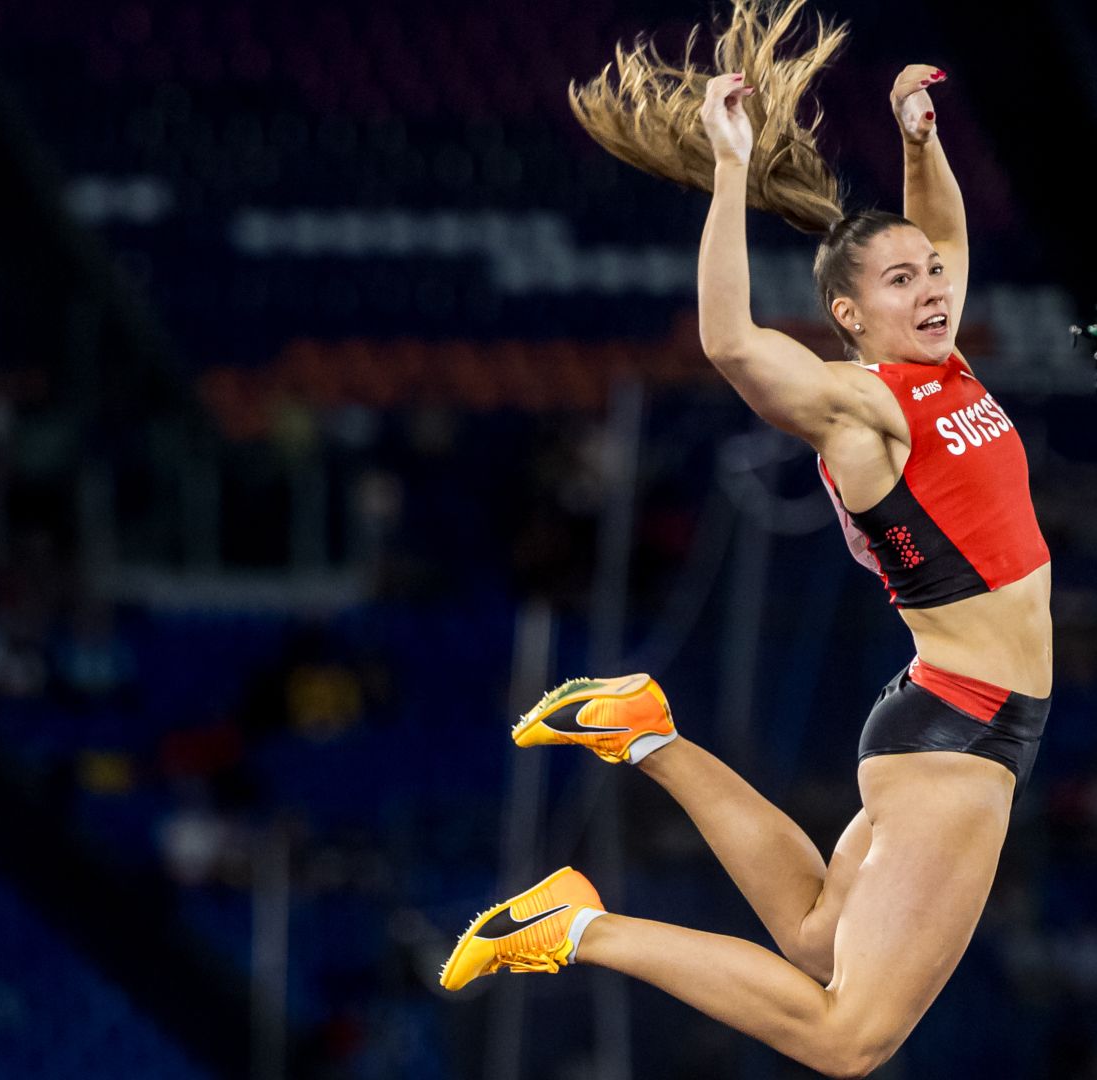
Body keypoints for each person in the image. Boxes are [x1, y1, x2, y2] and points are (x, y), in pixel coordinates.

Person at [440, 2, 1052, 1075]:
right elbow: (729, 342)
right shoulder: (863, 408)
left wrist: (921, 143)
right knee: (848, 1040)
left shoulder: (941, 363)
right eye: (901, 282)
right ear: (850, 318)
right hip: (960, 737)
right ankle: (580, 929)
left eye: (934, 276)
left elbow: (941, 232)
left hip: (949, 719)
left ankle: (644, 733)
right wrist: (729, 170)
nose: (933, 286)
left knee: (815, 936)